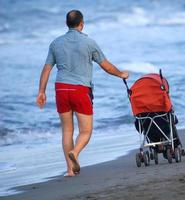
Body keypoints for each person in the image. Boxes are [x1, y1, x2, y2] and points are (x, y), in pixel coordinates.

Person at [36, 10, 129, 177]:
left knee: (66, 131)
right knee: (86, 131)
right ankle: (75, 153)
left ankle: (70, 171)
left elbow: (46, 69)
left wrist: (41, 92)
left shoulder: (55, 43)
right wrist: (121, 74)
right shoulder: (89, 43)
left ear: (67, 24)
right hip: (80, 90)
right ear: (82, 24)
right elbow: (106, 66)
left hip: (61, 89)